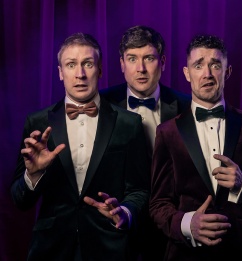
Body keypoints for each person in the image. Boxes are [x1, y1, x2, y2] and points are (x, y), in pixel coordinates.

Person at [149, 34, 242, 261]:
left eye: (215, 65)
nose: (207, 74)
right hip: (186, 254)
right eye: (198, 65)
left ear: (227, 72)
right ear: (187, 73)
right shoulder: (167, 132)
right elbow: (158, 204)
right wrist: (187, 224)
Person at [10, 33, 150, 260]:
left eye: (88, 64)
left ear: (100, 70)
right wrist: (33, 175)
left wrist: (124, 212)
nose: (80, 74)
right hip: (50, 250)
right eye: (71, 65)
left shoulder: (129, 123)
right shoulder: (37, 123)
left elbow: (140, 189)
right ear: (60, 72)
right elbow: (19, 200)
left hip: (109, 248)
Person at [100, 25, 191, 260]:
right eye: (132, 59)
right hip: (116, 225)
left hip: (172, 227)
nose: (140, 69)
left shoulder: (186, 106)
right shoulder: (102, 104)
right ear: (121, 63)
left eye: (148, 58)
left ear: (162, 62)